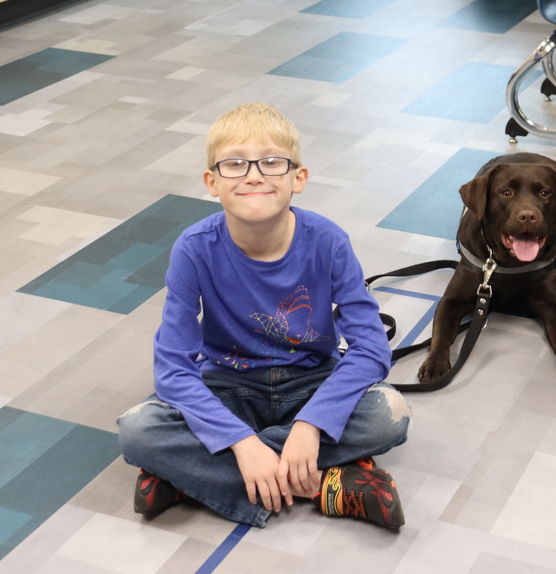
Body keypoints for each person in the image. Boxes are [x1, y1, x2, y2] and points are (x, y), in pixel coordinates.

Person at [117, 103, 410, 529]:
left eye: (272, 162)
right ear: (211, 182)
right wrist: (239, 440)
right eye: (234, 164)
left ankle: (187, 479)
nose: (254, 174)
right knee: (138, 430)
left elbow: (370, 349)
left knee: (390, 414)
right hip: (228, 385)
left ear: (299, 178)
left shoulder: (329, 241)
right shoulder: (193, 248)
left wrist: (311, 424)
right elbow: (173, 369)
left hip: (311, 381)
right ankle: (325, 485)